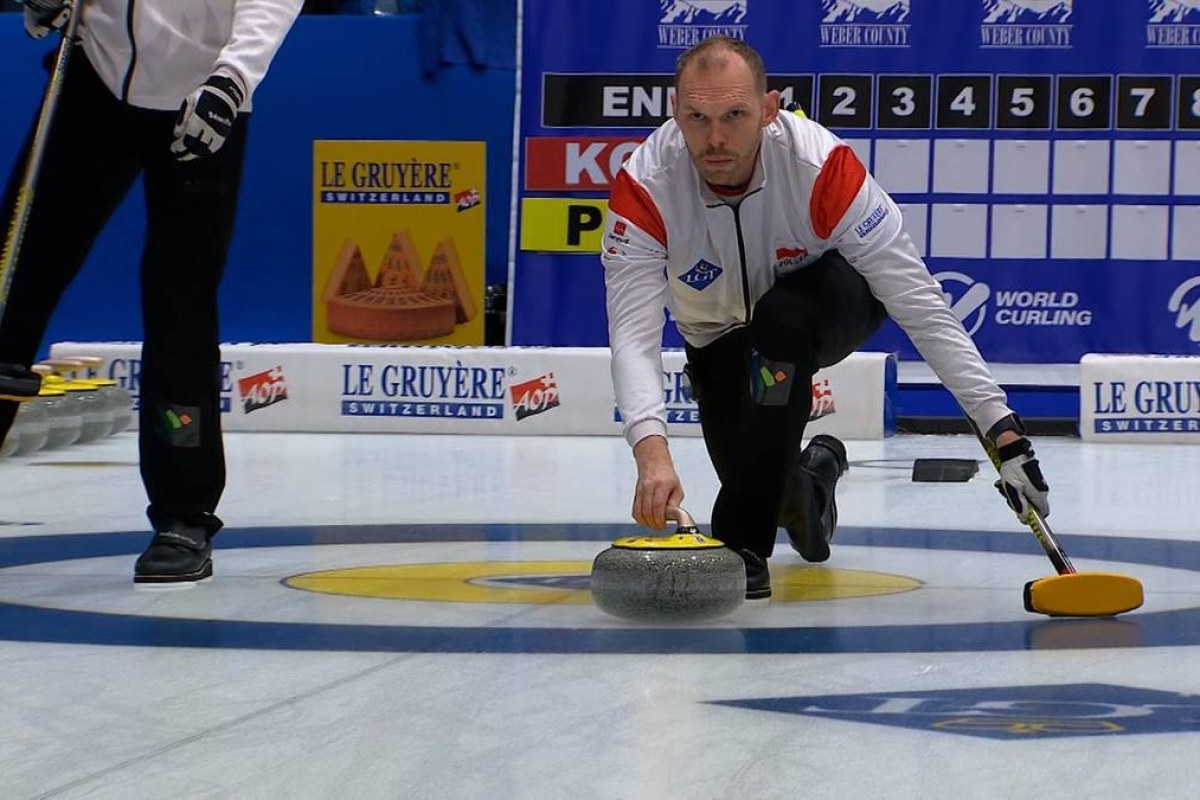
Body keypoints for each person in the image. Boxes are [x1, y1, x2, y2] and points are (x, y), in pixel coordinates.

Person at [601, 36, 1050, 600]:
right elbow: (633, 335)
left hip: (827, 305)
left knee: (779, 330)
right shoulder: (645, 186)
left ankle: (742, 550)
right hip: (714, 333)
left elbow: (918, 300)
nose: (715, 139)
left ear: (769, 110)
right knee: (764, 474)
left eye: (735, 115)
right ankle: (814, 482)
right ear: (675, 110)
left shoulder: (820, 165)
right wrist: (651, 452)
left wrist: (1002, 430)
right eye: (697, 117)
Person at [0, 0, 304, 584]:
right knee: (13, 280)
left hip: (205, 97)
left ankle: (183, 517)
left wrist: (233, 78)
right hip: (93, 79)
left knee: (179, 305)